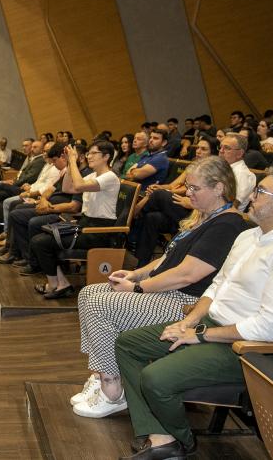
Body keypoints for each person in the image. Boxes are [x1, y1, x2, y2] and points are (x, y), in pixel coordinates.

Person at [114, 167, 273, 460]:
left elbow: (269, 328)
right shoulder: (250, 236)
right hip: (213, 326)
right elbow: (216, 286)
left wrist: (199, 335)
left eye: (260, 192)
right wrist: (189, 321)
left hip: (250, 349)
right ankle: (160, 434)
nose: (251, 196)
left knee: (156, 378)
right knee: (128, 343)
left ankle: (180, 442)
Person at [72, 157, 247, 418]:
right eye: (188, 186)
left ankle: (112, 388)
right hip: (169, 292)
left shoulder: (228, 224)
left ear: (219, 188)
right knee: (88, 293)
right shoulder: (204, 217)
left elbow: (186, 275)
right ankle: (100, 374)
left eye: (194, 188)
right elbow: (167, 259)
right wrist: (136, 273)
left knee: (100, 305)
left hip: (186, 303)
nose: (187, 193)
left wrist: (137, 289)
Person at [28, 141, 120, 298]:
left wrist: (71, 160)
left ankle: (56, 285)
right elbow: (68, 188)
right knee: (40, 239)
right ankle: (60, 284)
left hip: (99, 231)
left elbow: (78, 186)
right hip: (85, 225)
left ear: (106, 156)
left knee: (40, 242)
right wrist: (71, 164)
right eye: (89, 153)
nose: (89, 156)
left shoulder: (109, 177)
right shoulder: (93, 175)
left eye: (93, 153)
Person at [130, 135, 217, 267]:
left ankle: (134, 216)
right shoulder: (194, 165)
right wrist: (161, 187)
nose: (198, 151)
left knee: (157, 195)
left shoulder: (213, 170)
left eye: (203, 149)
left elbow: (187, 190)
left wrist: (166, 192)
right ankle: (141, 264)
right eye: (198, 148)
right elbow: (174, 185)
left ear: (212, 152)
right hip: (180, 206)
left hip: (195, 211)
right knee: (152, 217)